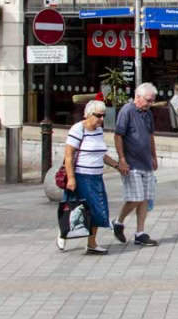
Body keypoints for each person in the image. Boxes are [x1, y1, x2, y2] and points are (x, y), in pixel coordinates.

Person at [61, 101, 123, 255]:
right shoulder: (78, 129)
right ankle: (63, 232)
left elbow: (101, 154)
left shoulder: (99, 131)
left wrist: (117, 165)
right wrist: (71, 178)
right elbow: (68, 156)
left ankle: (91, 243)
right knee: (79, 209)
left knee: (97, 210)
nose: (101, 119)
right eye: (98, 116)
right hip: (82, 176)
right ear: (88, 114)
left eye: (103, 115)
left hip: (96, 177)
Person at [113, 83, 161, 247]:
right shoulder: (127, 111)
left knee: (145, 199)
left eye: (152, 101)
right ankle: (118, 221)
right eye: (148, 100)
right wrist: (122, 159)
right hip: (132, 162)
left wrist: (154, 156)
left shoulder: (147, 114)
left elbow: (150, 136)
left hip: (146, 161)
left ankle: (140, 233)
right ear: (138, 97)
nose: (150, 104)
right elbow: (118, 135)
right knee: (136, 197)